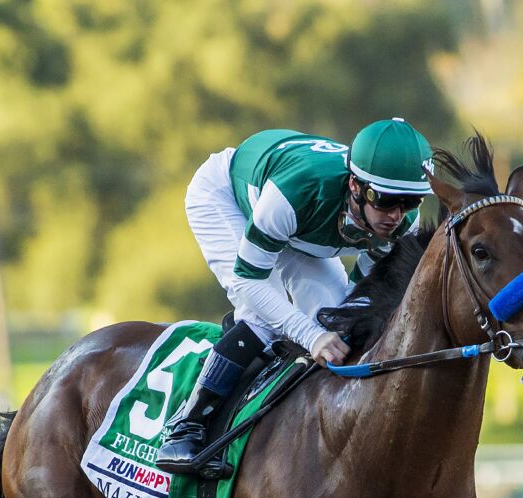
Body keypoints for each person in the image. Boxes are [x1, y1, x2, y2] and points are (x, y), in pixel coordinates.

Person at [155, 118, 433, 475]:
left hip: (300, 225)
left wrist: (331, 329)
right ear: (355, 185)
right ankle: (185, 428)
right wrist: (310, 336)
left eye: (410, 201)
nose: (395, 215)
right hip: (229, 196)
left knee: (336, 320)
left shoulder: (404, 221)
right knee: (263, 316)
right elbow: (249, 282)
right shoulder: (297, 192)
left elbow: (358, 298)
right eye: (385, 200)